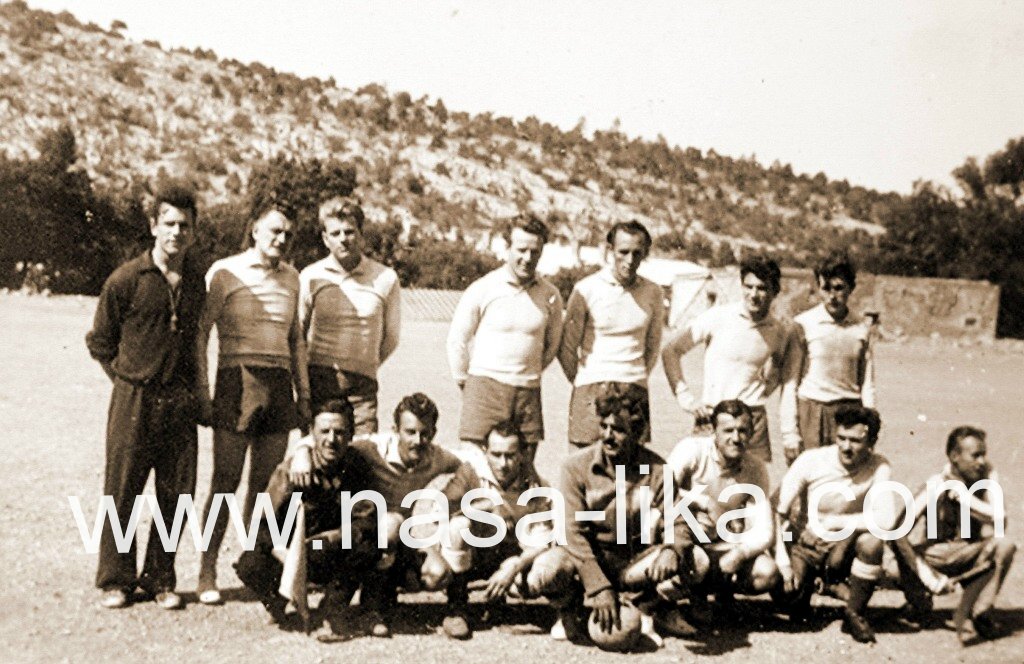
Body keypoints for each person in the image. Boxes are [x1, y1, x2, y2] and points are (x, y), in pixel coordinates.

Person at [85, 180, 206, 610]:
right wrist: (127, 380)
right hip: (134, 399)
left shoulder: (197, 282)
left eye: (185, 225)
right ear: (154, 226)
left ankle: (160, 578)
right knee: (123, 490)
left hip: (180, 401)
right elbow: (101, 343)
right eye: (169, 223)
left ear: (194, 231)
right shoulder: (126, 279)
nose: (177, 232)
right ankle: (116, 579)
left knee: (177, 493)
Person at [194, 206, 310, 605]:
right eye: (275, 231)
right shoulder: (225, 272)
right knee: (225, 483)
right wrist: (204, 391)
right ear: (254, 230)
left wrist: (303, 395)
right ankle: (207, 569)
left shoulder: (293, 277)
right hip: (236, 379)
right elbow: (201, 333)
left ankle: (252, 565)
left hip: (278, 384)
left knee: (264, 487)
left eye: (288, 234)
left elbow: (296, 340)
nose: (281, 239)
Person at [530, 387, 699, 647]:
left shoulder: (657, 469)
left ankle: (646, 608)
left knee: (695, 560)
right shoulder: (575, 467)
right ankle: (571, 609)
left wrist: (672, 549)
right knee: (545, 571)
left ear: (638, 433)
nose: (608, 436)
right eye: (604, 426)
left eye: (618, 429)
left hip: (632, 562)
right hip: (589, 559)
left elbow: (679, 518)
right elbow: (572, 532)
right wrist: (598, 586)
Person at [290, 393, 463, 637]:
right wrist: (301, 450)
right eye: (410, 432)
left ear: (433, 433)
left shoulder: (437, 458)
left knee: (437, 573)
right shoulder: (372, 447)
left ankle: (387, 598)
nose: (417, 440)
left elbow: (471, 462)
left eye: (424, 433)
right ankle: (371, 608)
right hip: (371, 532)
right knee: (389, 524)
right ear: (395, 430)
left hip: (402, 537)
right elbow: (331, 436)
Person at [234, 399, 380, 629]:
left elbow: (367, 521)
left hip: (329, 548)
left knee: (368, 547)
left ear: (351, 435)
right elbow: (262, 524)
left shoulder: (358, 467)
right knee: (250, 563)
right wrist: (284, 554)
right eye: (324, 431)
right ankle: (278, 602)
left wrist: (337, 536)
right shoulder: (290, 470)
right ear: (312, 433)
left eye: (340, 432)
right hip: (293, 551)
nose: (331, 439)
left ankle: (333, 607)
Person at [774, 405, 896, 643]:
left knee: (871, 543)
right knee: (791, 602)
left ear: (871, 441)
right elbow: (778, 511)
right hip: (806, 545)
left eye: (855, 441)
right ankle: (823, 584)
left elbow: (886, 519)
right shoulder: (811, 460)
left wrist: (834, 522)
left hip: (842, 547)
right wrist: (783, 561)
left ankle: (854, 612)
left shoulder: (879, 465)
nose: (846, 447)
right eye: (841, 438)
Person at [447, 214, 563, 458]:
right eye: (521, 250)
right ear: (507, 247)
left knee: (523, 468)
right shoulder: (483, 288)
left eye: (535, 251)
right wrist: (466, 383)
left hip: (527, 392)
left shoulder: (550, 295)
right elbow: (457, 340)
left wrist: (527, 372)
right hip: (484, 388)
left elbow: (552, 345)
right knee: (474, 465)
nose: (528, 258)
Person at [661, 254, 791, 462]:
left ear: (774, 291)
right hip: (713, 414)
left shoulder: (778, 331)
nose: (754, 295)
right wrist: (686, 398)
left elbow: (781, 367)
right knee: (694, 477)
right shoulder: (718, 317)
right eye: (748, 287)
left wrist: (764, 390)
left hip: (753, 420)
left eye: (762, 288)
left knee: (754, 481)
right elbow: (671, 350)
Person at [436, 420, 554, 639]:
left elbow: (543, 541)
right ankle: (457, 607)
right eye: (496, 454)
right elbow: (438, 509)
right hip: (477, 554)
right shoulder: (471, 472)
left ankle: (500, 605)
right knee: (458, 527)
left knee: (540, 570)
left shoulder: (535, 484)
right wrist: (488, 507)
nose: (503, 464)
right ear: (485, 451)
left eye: (510, 455)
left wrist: (515, 566)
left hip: (511, 558)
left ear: (523, 454)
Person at [665, 400, 777, 620]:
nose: (736, 438)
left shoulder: (756, 468)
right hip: (687, 539)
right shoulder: (692, 449)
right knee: (694, 530)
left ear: (752, 432)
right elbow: (659, 491)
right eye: (728, 430)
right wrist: (704, 502)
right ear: (713, 431)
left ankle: (719, 591)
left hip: (723, 543)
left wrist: (740, 553)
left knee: (767, 573)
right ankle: (682, 597)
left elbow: (764, 529)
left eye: (742, 431)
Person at [300, 197, 401, 434]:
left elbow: (391, 337)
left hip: (363, 386)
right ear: (325, 239)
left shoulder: (386, 278)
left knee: (364, 450)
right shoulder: (310, 276)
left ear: (361, 234)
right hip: (320, 380)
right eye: (335, 233)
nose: (343, 239)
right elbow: (297, 334)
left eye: (349, 232)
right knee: (320, 450)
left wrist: (365, 364)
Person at [558, 220, 663, 447]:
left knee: (632, 464)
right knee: (583, 459)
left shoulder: (654, 292)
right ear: (609, 250)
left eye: (637, 253)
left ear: (645, 253)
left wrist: (632, 375)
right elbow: (567, 347)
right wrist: (584, 378)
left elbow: (653, 346)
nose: (630, 260)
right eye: (623, 252)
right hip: (591, 386)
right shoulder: (586, 288)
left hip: (634, 388)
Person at [909, 426, 1016, 642]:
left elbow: (1000, 519)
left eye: (984, 454)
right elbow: (897, 531)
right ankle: (916, 599)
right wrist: (926, 576)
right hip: (935, 556)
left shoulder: (985, 478)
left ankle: (981, 612)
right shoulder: (936, 483)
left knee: (1004, 545)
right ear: (954, 456)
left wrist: (965, 498)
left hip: (967, 554)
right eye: (975, 455)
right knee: (890, 568)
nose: (982, 461)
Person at [780, 251, 875, 464]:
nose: (832, 296)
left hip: (850, 413)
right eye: (826, 288)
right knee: (810, 475)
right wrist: (790, 434)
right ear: (818, 287)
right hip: (812, 413)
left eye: (839, 288)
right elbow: (790, 383)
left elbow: (867, 382)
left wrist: (870, 424)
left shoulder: (861, 328)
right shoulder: (803, 324)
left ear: (851, 288)